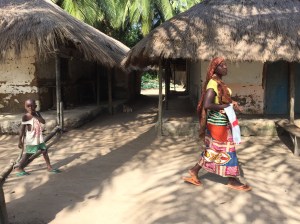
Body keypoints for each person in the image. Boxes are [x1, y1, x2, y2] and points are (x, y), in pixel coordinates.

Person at [182, 57, 252, 191]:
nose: (226, 67)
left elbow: (220, 101)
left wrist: (231, 103)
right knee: (228, 150)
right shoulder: (213, 84)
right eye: (223, 65)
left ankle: (194, 170)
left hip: (221, 123)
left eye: (226, 65)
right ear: (215, 68)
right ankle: (232, 179)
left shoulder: (219, 82)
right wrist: (227, 105)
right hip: (217, 125)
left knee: (214, 150)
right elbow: (207, 104)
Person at [15, 99, 60, 176]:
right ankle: (19, 167)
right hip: (31, 139)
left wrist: (35, 115)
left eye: (32, 106)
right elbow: (22, 129)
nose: (30, 108)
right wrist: (20, 140)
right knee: (29, 153)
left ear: (35, 106)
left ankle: (49, 167)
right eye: (28, 106)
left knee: (44, 151)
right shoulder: (25, 117)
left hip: (39, 137)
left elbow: (43, 121)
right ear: (25, 107)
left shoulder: (37, 114)